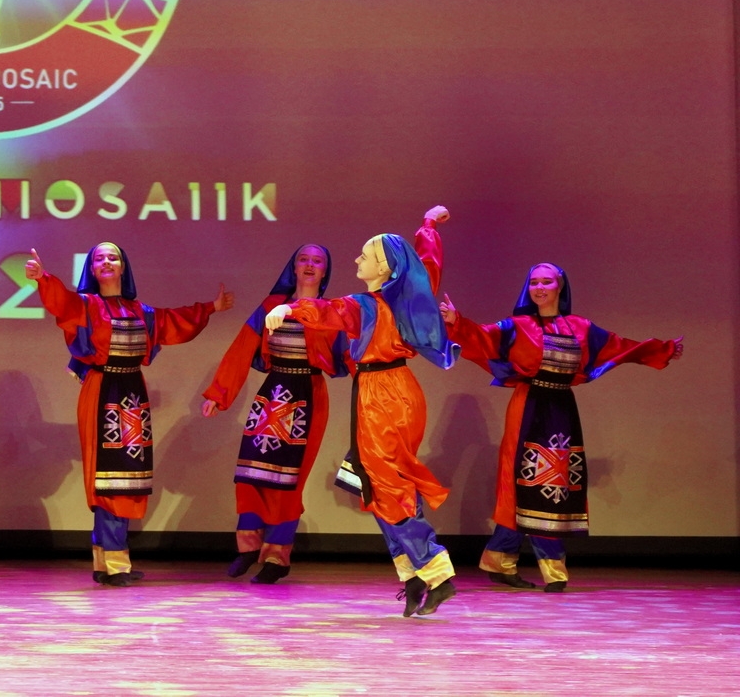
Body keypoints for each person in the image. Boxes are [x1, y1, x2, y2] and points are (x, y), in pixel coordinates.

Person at [440, 264, 682, 592]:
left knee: (554, 481)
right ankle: (551, 568)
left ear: (560, 286)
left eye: (546, 281)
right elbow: (484, 337)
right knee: (528, 481)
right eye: (534, 282)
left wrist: (662, 349)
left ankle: (500, 557)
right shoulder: (518, 326)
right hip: (528, 405)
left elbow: (619, 347)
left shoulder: (581, 328)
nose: (539, 287)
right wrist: (457, 322)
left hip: (562, 408)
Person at [265, 207, 459, 616]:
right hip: (395, 391)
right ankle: (412, 575)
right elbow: (426, 264)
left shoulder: (367, 305)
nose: (356, 260)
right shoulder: (407, 297)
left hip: (383, 395)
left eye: (365, 256)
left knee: (387, 486)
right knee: (379, 483)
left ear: (384, 267)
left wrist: (290, 309)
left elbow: (329, 310)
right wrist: (427, 227)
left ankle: (437, 572)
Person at [26, 243, 232, 586]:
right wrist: (42, 278)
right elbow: (63, 303)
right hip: (102, 390)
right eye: (99, 258)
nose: (106, 262)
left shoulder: (141, 312)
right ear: (92, 269)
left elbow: (173, 321)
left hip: (133, 393)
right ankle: (114, 563)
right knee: (108, 478)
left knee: (128, 478)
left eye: (113, 257)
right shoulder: (87, 306)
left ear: (123, 267)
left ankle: (107, 561)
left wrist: (212, 307)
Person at [202, 244, 347, 583]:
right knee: (250, 475)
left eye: (317, 261)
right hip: (272, 394)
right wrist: (219, 394)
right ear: (293, 268)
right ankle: (247, 547)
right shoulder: (271, 306)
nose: (309, 265)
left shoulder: (331, 312)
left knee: (289, 482)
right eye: (303, 259)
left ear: (325, 271)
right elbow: (242, 347)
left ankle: (277, 558)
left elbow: (352, 355)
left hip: (308, 397)